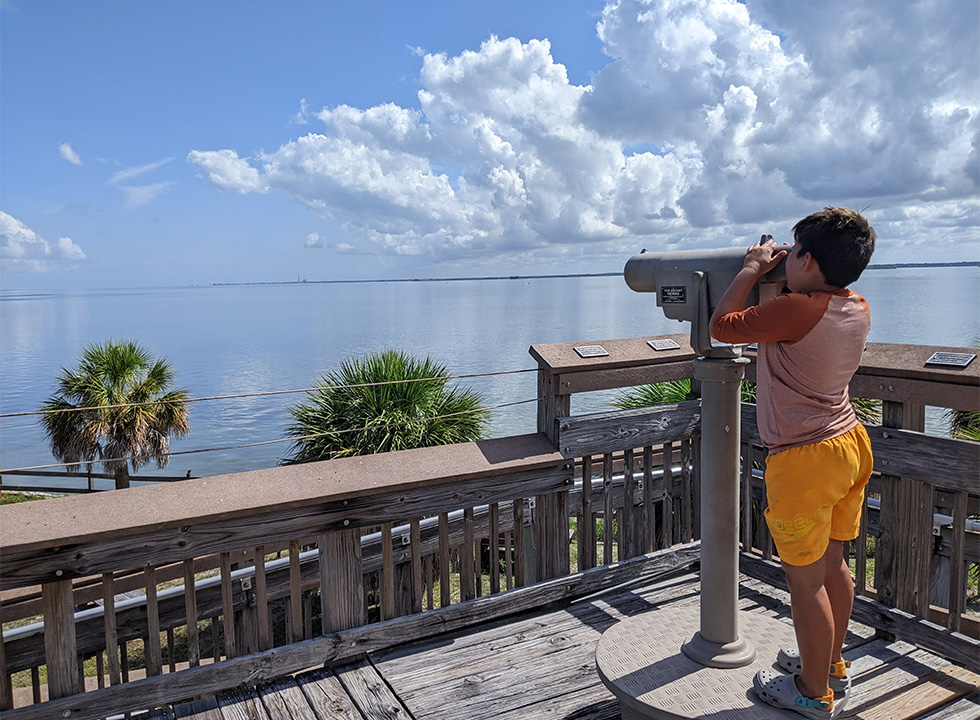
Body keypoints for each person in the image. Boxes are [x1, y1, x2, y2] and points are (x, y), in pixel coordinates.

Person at [709, 207, 876, 720]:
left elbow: (722, 327)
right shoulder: (856, 304)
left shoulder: (794, 312)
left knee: (804, 586)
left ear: (803, 257)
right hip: (848, 444)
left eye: (791, 251)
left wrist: (752, 268)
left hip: (804, 460)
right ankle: (830, 665)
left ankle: (810, 693)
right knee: (833, 567)